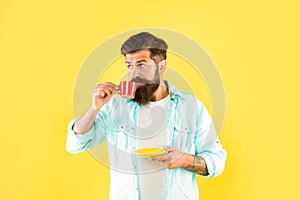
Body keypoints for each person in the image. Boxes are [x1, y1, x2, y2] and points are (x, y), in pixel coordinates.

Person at [66, 32, 227, 200]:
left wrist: (184, 159)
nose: (134, 73)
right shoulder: (116, 107)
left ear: (161, 66)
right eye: (129, 65)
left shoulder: (191, 107)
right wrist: (94, 108)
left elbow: (217, 161)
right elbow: (75, 144)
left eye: (141, 64)